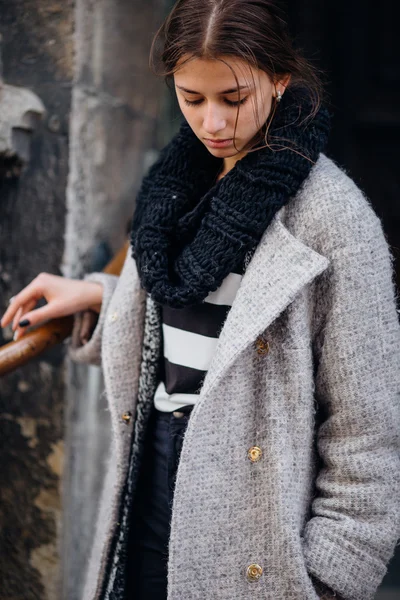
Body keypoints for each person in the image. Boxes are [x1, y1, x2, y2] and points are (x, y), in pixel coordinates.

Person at [1, 1, 399, 599]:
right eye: (192, 99)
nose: (212, 122)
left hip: (256, 511)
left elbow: (367, 431)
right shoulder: (173, 185)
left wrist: (330, 578)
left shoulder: (334, 219)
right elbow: (193, 324)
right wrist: (103, 295)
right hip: (150, 465)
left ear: (281, 80)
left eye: (233, 99)